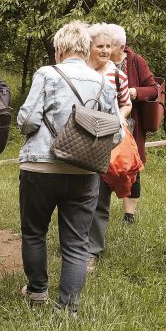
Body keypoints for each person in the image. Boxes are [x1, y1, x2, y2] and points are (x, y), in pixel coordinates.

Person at [16, 21, 119, 314]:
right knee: (76, 242)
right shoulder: (102, 82)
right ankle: (68, 308)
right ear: (87, 51)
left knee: (34, 231)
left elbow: (28, 121)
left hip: (41, 166)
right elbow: (117, 133)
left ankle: (37, 292)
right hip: (84, 172)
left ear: (59, 49)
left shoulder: (47, 74)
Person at [86, 23, 133, 270]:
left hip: (107, 140)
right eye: (100, 46)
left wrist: (120, 117)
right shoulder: (82, 71)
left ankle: (93, 251)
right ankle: (73, 244)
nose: (105, 50)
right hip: (81, 139)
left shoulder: (118, 75)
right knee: (77, 193)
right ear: (89, 48)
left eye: (108, 46)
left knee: (100, 198)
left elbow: (126, 103)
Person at [114, 26, 158, 224]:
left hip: (132, 123)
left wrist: (135, 92)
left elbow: (154, 89)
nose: (105, 48)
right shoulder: (98, 61)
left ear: (121, 45)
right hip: (104, 120)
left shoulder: (135, 61)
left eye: (110, 44)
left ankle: (129, 215)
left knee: (132, 165)